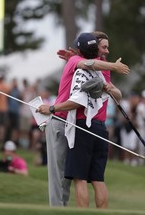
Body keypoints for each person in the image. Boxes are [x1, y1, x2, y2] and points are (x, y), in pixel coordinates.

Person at [37, 32, 129, 207]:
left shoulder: (100, 71)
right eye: (102, 47)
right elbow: (86, 64)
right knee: (61, 178)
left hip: (77, 124)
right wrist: (112, 66)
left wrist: (109, 83)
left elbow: (117, 93)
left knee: (76, 178)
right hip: (62, 121)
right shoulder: (78, 62)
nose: (106, 51)